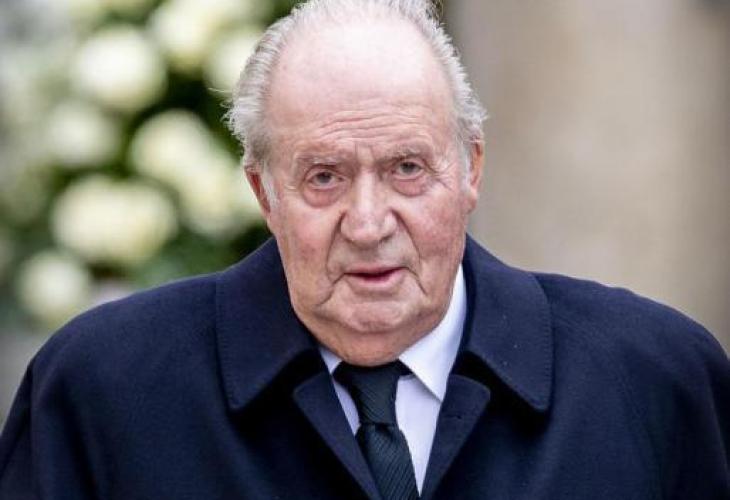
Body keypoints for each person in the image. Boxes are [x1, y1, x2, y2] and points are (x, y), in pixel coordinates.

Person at [1, 0, 728, 498]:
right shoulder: (100, 390)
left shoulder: (655, 378)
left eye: (407, 168)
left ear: (470, 169)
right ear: (263, 192)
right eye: (324, 177)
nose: (369, 222)